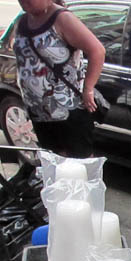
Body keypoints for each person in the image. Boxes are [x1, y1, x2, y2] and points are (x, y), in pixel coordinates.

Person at [13, 0, 105, 157]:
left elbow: (97, 50)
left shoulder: (62, 19)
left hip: (68, 110)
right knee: (54, 163)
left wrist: (88, 88)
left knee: (78, 166)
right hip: (39, 112)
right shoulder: (21, 21)